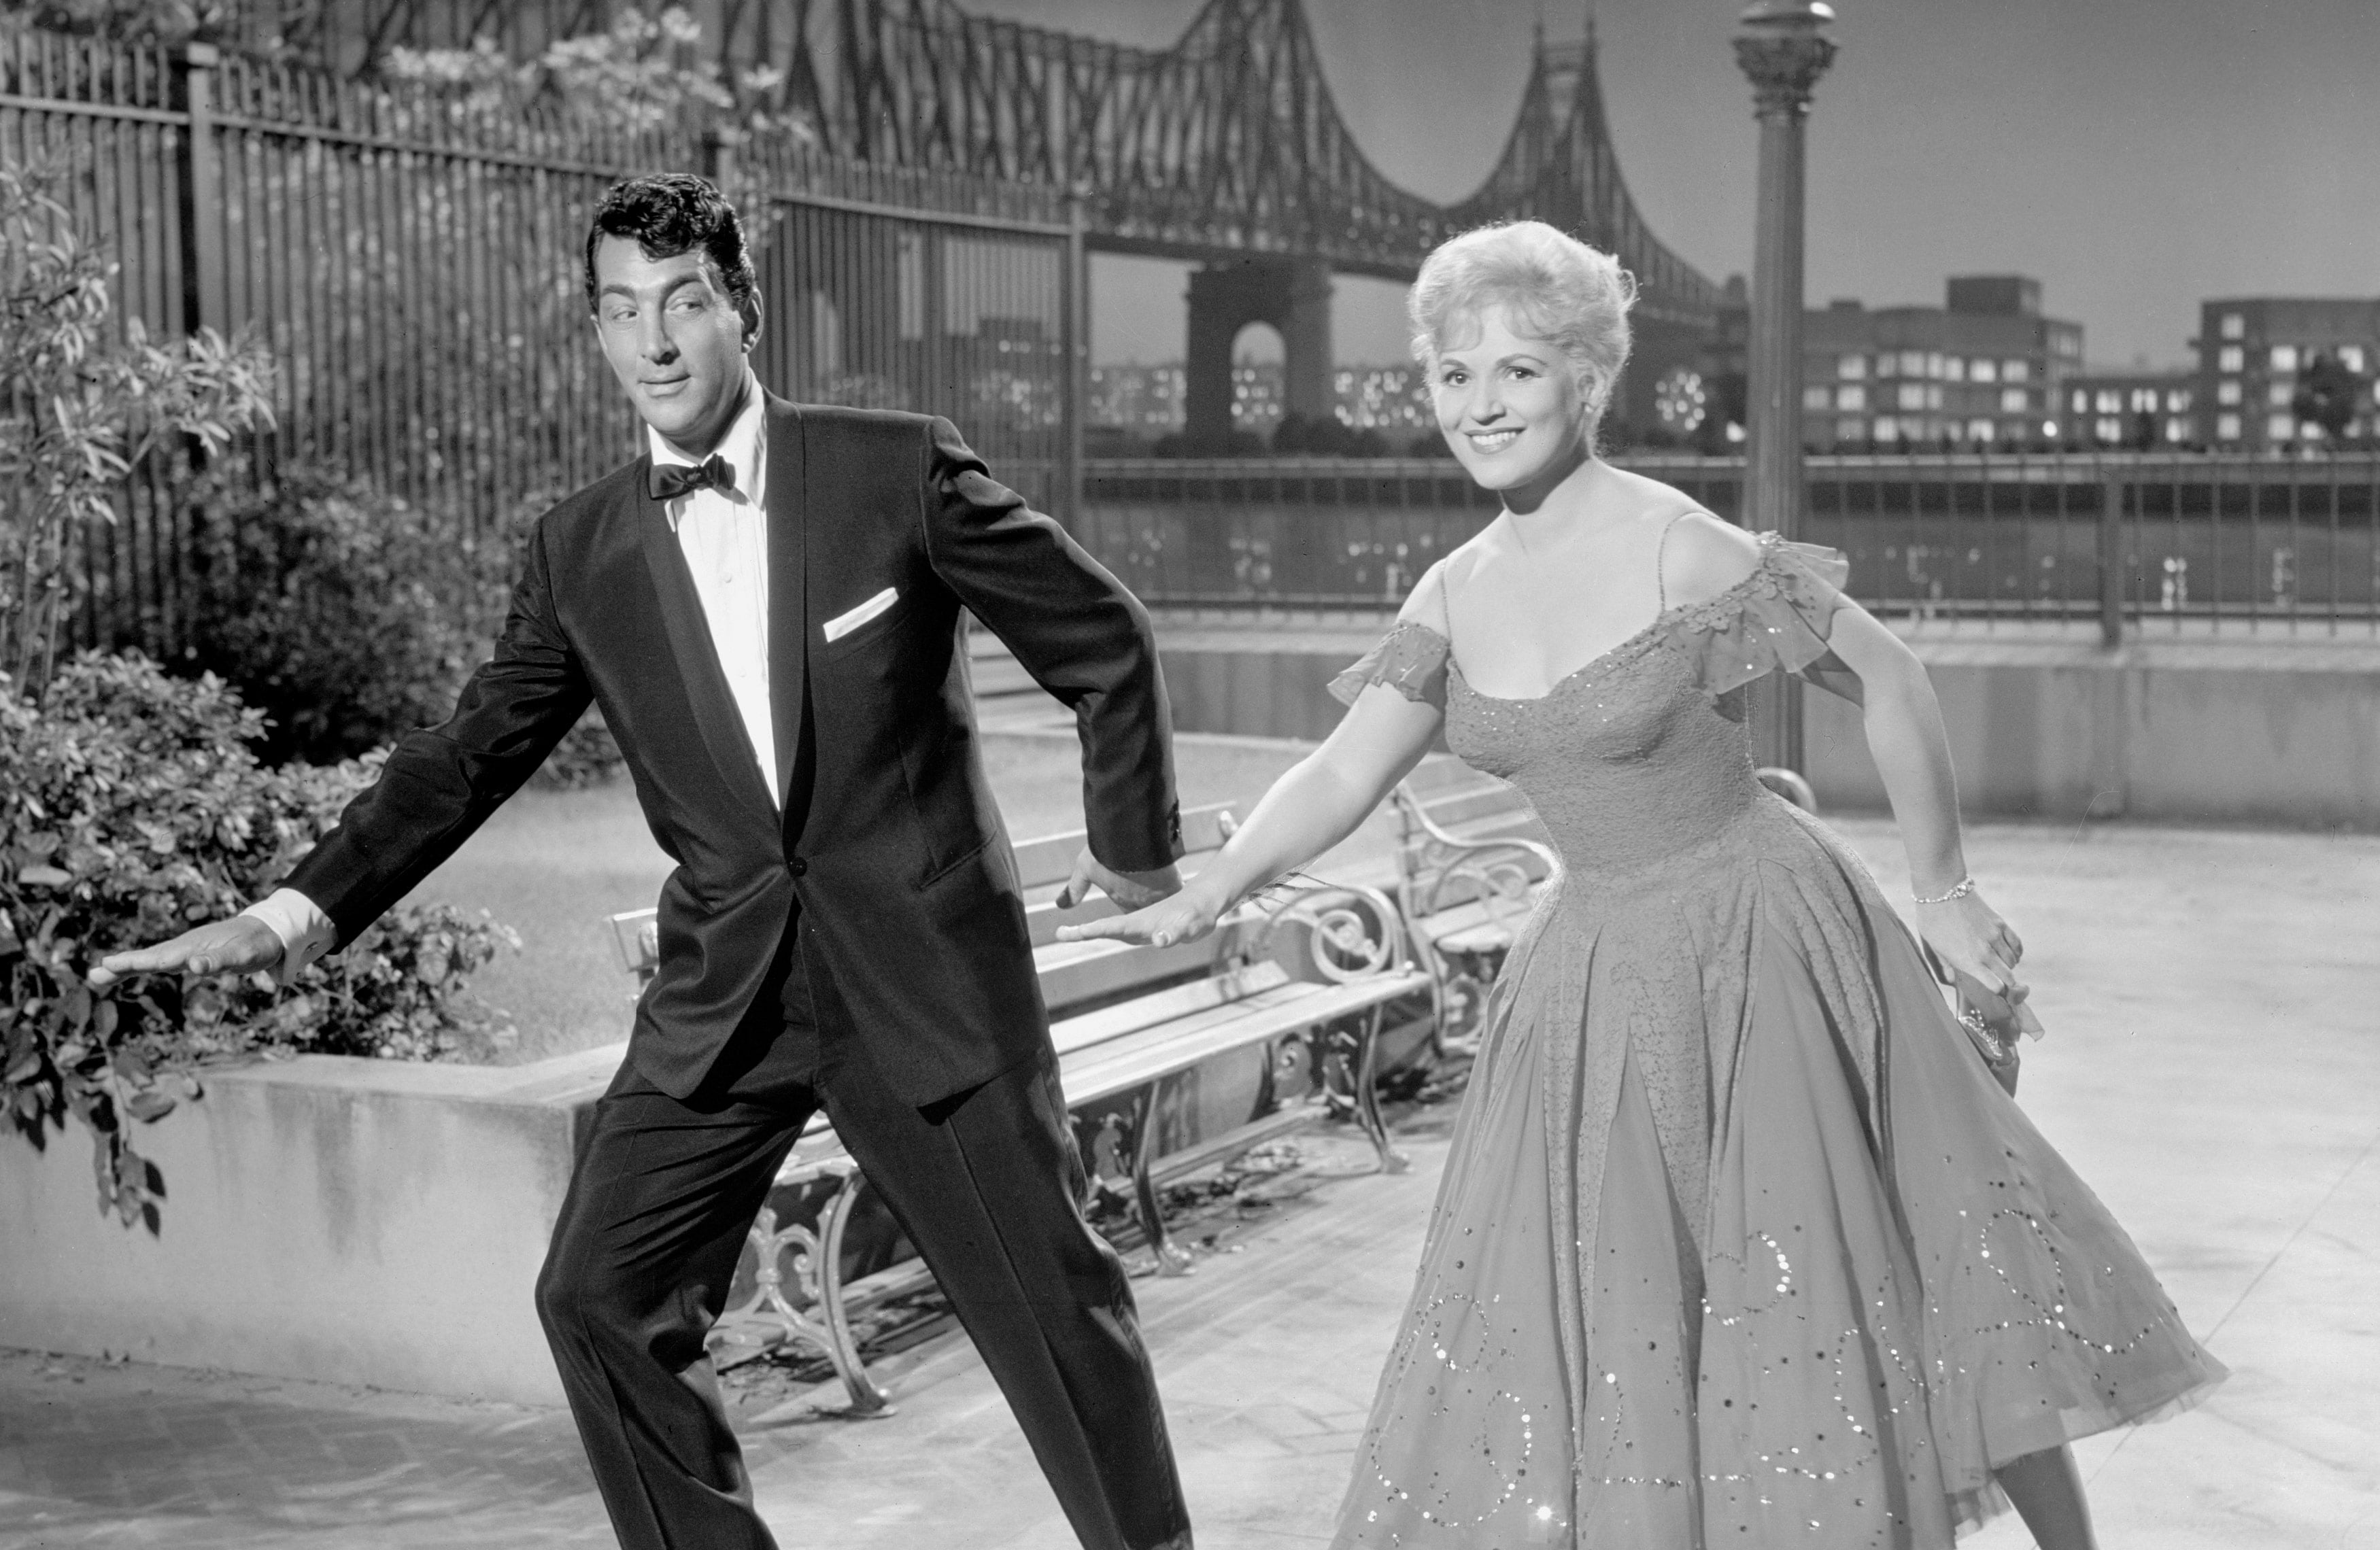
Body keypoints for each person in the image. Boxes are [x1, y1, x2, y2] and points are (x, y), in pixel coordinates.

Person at [1061, 221, 2224, 1549]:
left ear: (1588, 378)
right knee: (1641, 1309)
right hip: (1596, 978)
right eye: (1453, 374)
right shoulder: (1450, 592)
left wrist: (1945, 895)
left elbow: (1890, 677)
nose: (1480, 404)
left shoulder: (1677, 542)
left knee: (1898, 1258)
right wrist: (1208, 886)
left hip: (1765, 939)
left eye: (1517, 369)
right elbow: (1341, 770)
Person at [92, 173, 1195, 1550]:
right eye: (621, 312)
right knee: (598, 1296)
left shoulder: (892, 470)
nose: (654, 343)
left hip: (926, 988)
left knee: (1054, 1315)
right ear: (600, 331)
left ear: (742, 310)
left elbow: (1104, 637)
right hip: (727, 997)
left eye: (681, 303)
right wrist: (290, 911)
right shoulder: (582, 552)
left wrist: (1135, 852)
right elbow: (465, 756)